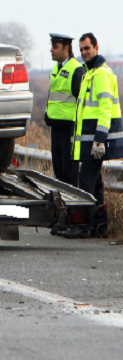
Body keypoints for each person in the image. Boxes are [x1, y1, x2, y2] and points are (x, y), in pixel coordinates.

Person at [65, 32, 121, 239]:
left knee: (86, 180)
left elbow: (105, 108)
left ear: (97, 48)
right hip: (89, 139)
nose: (84, 53)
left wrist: (100, 138)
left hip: (95, 139)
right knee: (95, 181)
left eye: (87, 48)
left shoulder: (101, 74)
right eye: (81, 50)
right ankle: (100, 223)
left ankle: (83, 224)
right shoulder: (89, 73)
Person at [45, 33, 84, 191]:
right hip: (56, 129)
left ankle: (72, 211)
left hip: (69, 129)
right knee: (59, 173)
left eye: (55, 47)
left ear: (66, 48)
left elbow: (82, 103)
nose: (51, 50)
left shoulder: (76, 70)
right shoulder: (57, 68)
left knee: (69, 175)